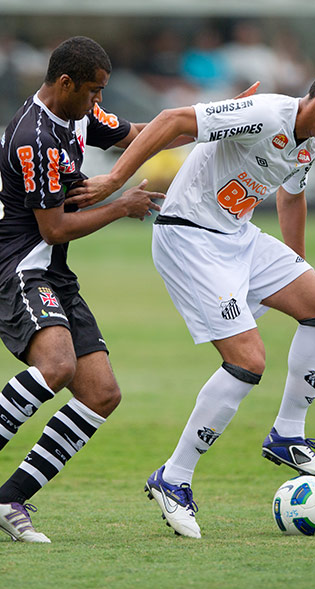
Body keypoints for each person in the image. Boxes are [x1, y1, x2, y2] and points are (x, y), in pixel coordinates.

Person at [69, 62, 315, 539]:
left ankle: (287, 434)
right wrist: (113, 181)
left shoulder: (308, 145)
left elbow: (291, 199)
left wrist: (296, 270)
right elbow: (173, 120)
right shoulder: (264, 113)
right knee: (248, 361)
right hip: (190, 237)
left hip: (238, 236)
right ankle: (173, 478)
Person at [0, 36, 166, 543]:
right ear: (66, 83)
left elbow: (138, 133)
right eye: (93, 91)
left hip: (52, 273)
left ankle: (11, 499)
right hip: (19, 268)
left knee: (101, 394)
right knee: (56, 367)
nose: (99, 102)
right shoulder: (34, 138)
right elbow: (53, 229)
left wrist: (213, 126)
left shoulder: (77, 116)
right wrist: (121, 204)